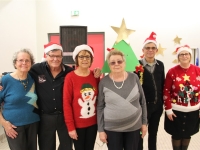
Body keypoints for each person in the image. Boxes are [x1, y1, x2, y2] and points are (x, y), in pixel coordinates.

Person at [29, 42, 101, 150]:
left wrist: (97, 71)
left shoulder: (70, 72)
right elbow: (21, 71)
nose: (55, 59)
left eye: (58, 56)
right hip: (46, 117)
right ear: (46, 56)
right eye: (52, 55)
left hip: (68, 118)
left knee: (66, 147)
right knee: (46, 147)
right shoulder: (37, 69)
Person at [97, 49, 147, 150]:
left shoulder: (134, 78)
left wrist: (144, 123)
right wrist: (101, 130)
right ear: (109, 65)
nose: (116, 64)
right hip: (112, 129)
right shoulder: (104, 82)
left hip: (134, 126)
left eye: (119, 61)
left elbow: (142, 102)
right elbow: (100, 106)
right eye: (112, 62)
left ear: (124, 63)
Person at [0, 49, 40, 150]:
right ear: (15, 63)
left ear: (31, 63)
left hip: (33, 123)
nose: (24, 63)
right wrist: (4, 124)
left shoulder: (33, 78)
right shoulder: (5, 80)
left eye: (27, 60)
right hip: (13, 126)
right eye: (21, 60)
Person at [63, 44, 100, 150]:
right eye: (81, 56)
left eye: (87, 56)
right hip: (77, 125)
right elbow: (67, 103)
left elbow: (99, 99)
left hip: (93, 124)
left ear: (91, 59)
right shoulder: (70, 77)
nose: (85, 59)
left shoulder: (95, 76)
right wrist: (71, 127)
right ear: (76, 59)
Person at [163, 45, 200, 150]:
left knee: (187, 134)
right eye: (182, 54)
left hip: (193, 110)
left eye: (186, 54)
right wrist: (168, 109)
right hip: (175, 111)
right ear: (178, 57)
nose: (184, 56)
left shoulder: (198, 70)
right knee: (176, 135)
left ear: (190, 56)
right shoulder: (172, 71)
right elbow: (166, 91)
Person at [134, 32, 165, 150]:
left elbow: (162, 84)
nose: (150, 50)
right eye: (147, 48)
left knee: (153, 135)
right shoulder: (137, 65)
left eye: (153, 48)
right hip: (142, 107)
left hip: (157, 107)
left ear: (156, 50)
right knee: (140, 135)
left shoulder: (160, 65)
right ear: (143, 49)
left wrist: (162, 103)